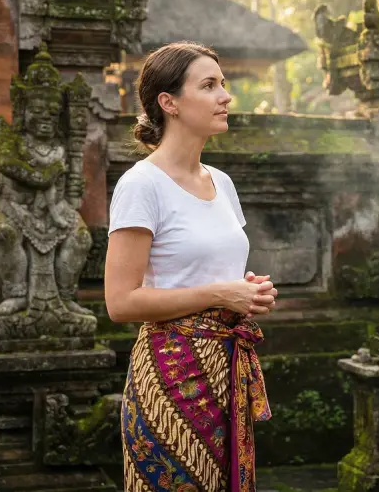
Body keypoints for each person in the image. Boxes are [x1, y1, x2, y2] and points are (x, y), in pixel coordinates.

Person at [105, 41, 277, 492]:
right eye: (209, 85)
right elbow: (121, 302)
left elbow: (214, 272)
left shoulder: (221, 182)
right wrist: (222, 294)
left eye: (223, 84)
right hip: (171, 372)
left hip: (227, 364)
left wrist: (248, 290)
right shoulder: (141, 185)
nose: (225, 96)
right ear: (170, 103)